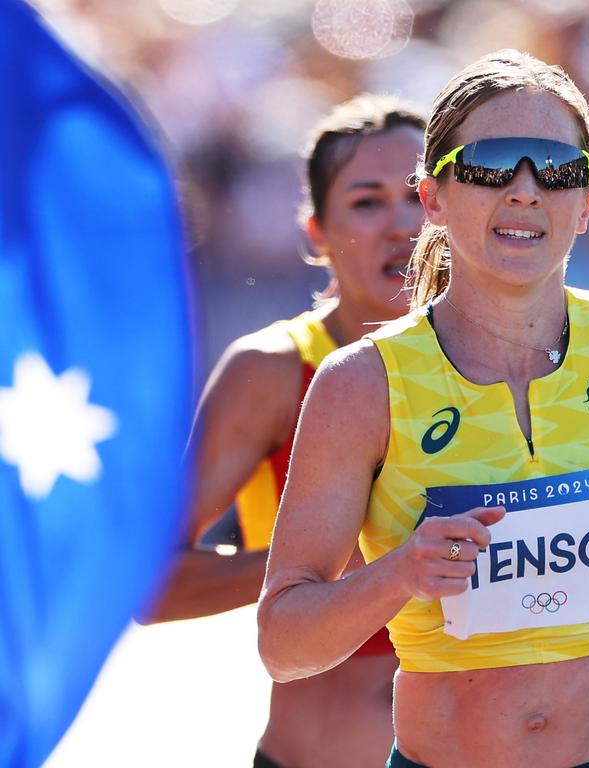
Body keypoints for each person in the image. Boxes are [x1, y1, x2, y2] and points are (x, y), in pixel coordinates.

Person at [258, 50, 589, 768]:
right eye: (494, 164)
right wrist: (399, 574)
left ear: (586, 203)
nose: (526, 191)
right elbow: (283, 644)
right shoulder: (362, 385)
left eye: (556, 168)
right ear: (433, 196)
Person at [143, 94, 427, 768]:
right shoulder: (272, 370)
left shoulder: (505, 357)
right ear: (317, 234)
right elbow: (147, 583)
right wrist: (325, 570)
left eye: (420, 194)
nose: (402, 225)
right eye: (366, 202)